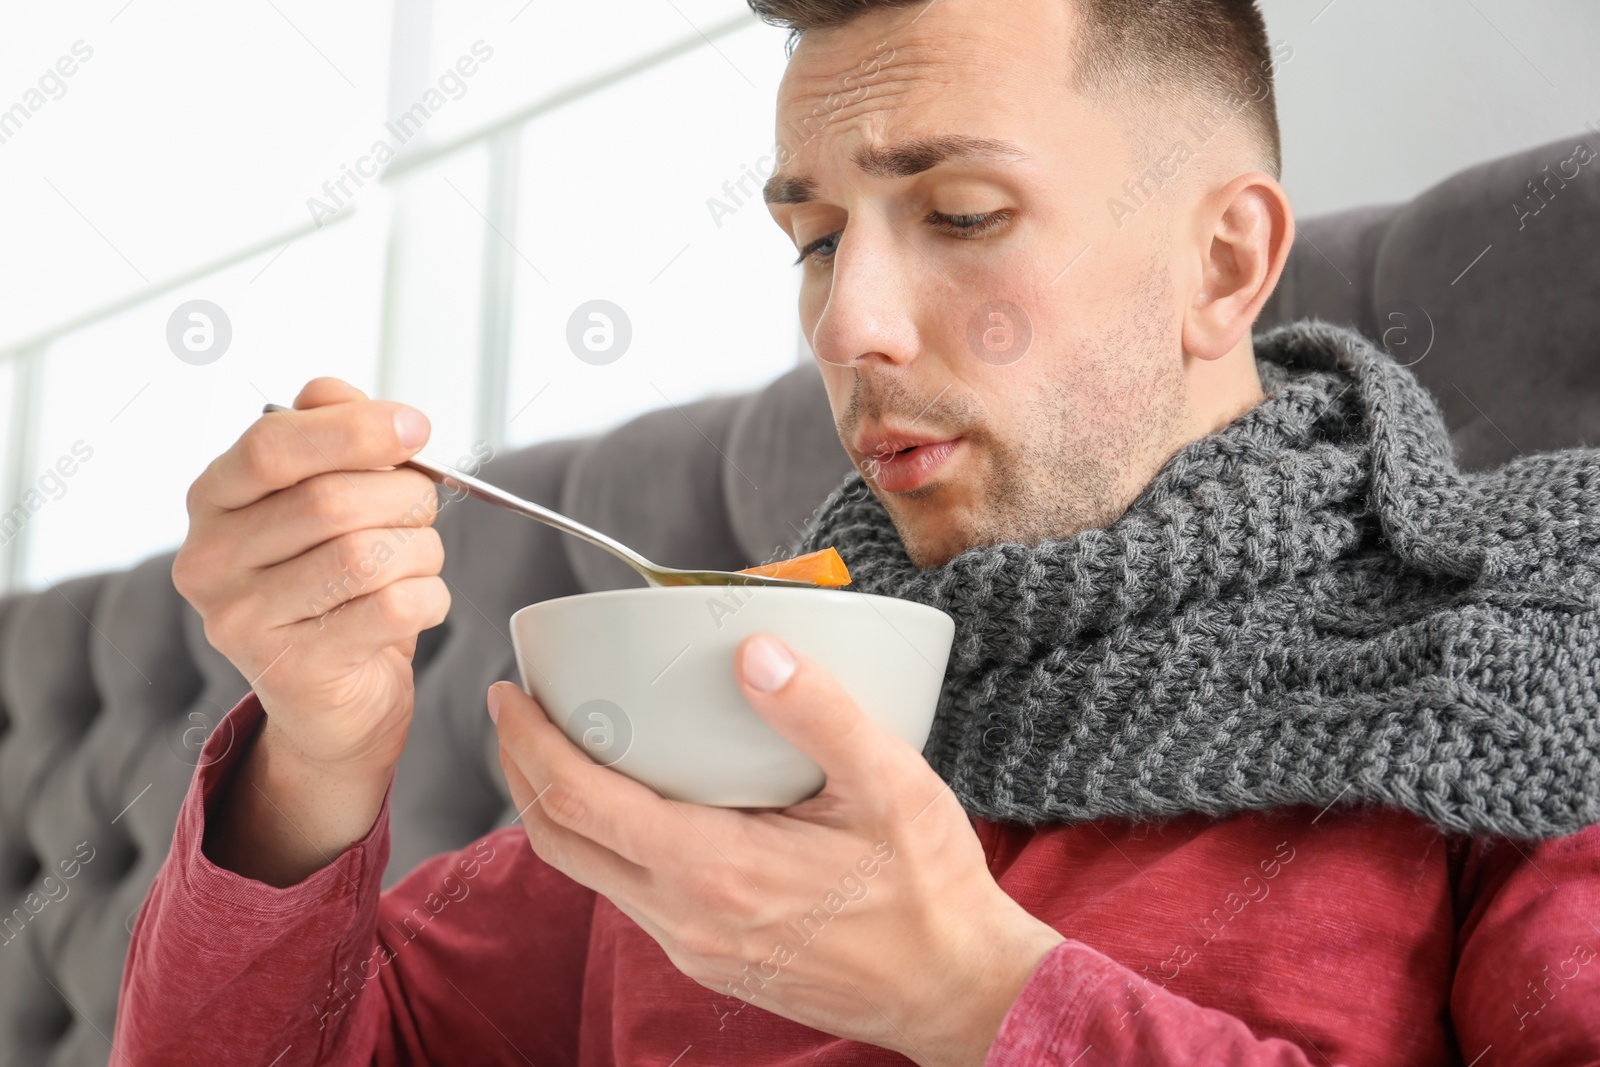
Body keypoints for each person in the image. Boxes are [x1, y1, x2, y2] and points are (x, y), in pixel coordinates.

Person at [115, 0, 1600, 1063]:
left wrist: (978, 1000)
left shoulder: (1519, 657)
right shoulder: (730, 670)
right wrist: (315, 751)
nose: (849, 325)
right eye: (815, 241)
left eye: (959, 214)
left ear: (1222, 262)